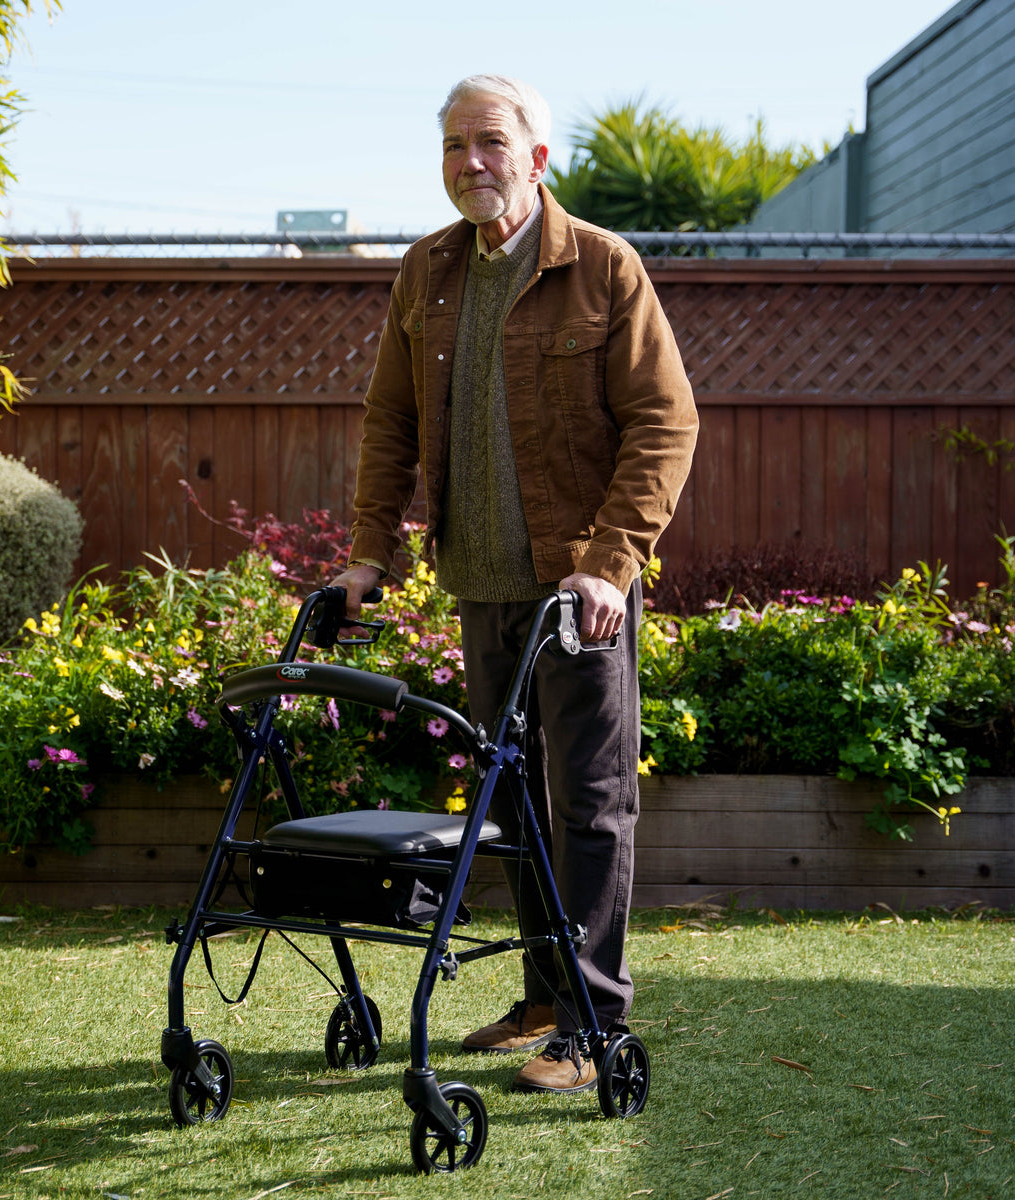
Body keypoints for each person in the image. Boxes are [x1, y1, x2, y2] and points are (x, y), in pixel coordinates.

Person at [332, 74, 699, 1094]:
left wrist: (609, 562)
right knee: (513, 806)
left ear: (538, 157)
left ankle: (590, 1025)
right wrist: (372, 551)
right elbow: (390, 425)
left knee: (588, 803)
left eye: (489, 143)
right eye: (453, 146)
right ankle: (543, 994)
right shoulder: (427, 273)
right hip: (479, 586)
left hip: (575, 597)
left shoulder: (603, 269)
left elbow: (666, 425)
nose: (469, 164)